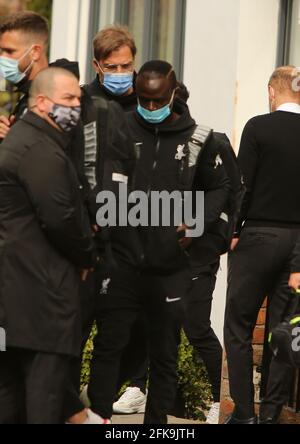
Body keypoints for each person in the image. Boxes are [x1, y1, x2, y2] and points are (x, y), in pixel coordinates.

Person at [86, 60, 230, 424]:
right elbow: (97, 179)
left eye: (158, 100)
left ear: (172, 92)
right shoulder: (119, 128)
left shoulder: (200, 138)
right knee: (109, 347)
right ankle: (98, 419)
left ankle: (157, 428)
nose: (151, 108)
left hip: (169, 267)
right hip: (121, 263)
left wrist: (195, 222)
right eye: (145, 100)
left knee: (164, 353)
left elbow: (221, 187)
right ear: (137, 91)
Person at [0, 67, 96, 424]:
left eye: (78, 99)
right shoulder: (40, 149)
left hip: (16, 298)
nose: (76, 106)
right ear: (42, 102)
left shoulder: (24, 140)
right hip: (41, 298)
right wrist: (87, 254)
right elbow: (60, 217)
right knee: (43, 397)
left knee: (10, 394)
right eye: (68, 99)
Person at [224, 66, 300, 425]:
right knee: (283, 330)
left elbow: (243, 184)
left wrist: (233, 230)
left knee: (238, 326)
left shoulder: (258, 126)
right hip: (297, 244)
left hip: (258, 237)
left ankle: (243, 413)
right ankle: (271, 415)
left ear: (273, 91)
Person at [85, 25, 137, 112]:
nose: (119, 73)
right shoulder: (84, 102)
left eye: (126, 66)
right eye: (111, 67)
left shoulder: (150, 101)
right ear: (96, 66)